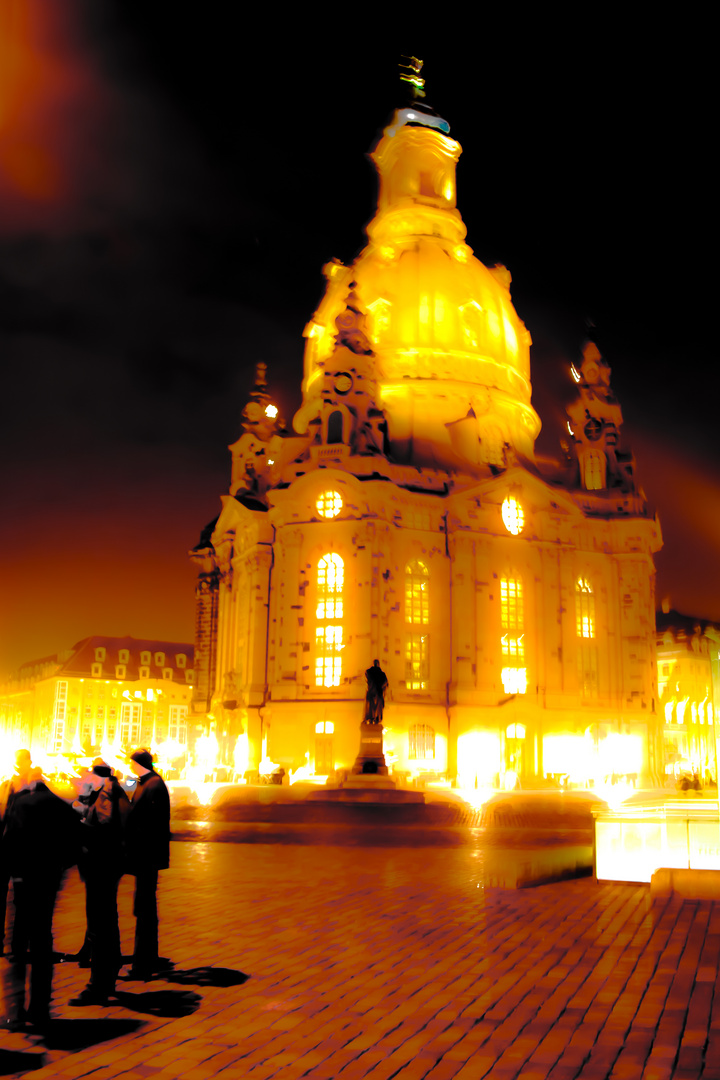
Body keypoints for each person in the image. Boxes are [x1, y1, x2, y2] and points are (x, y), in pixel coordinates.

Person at [1, 772, 80, 1031]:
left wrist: (14, 873)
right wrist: (57, 870)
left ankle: (14, 1010)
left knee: (17, 945)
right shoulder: (62, 808)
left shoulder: (22, 805)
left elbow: (9, 844)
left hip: (24, 882)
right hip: (48, 882)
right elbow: (74, 847)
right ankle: (40, 1007)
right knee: (43, 943)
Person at [70, 759, 129, 1006]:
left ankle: (98, 986)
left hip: (101, 865)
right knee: (107, 921)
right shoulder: (115, 792)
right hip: (110, 865)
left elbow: (104, 830)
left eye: (91, 776)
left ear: (98, 776)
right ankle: (107, 979)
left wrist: (80, 825)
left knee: (99, 923)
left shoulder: (106, 795)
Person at [123, 749, 170, 980]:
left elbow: (144, 819)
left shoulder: (153, 786)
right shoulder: (145, 781)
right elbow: (128, 799)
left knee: (144, 907)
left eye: (131, 763)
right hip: (146, 854)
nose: (129, 767)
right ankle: (147, 957)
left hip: (147, 854)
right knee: (144, 905)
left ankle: (143, 962)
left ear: (137, 763)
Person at [0, 749, 34, 955]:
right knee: (20, 899)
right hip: (15, 850)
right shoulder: (13, 786)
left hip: (14, 849)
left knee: (20, 899)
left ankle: (17, 944)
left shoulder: (18, 786)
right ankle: (18, 945)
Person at [364, 659, 388, 723]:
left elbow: (366, 673)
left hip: (372, 690)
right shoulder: (381, 673)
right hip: (378, 691)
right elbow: (385, 682)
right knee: (378, 705)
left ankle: (371, 717)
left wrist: (369, 682)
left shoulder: (370, 671)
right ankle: (377, 717)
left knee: (371, 705)